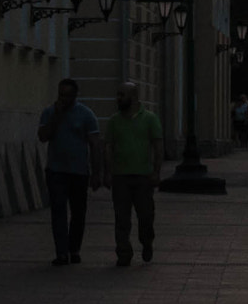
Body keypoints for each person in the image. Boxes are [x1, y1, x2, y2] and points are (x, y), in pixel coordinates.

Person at [38, 77, 101, 266]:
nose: (63, 99)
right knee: (58, 211)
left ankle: (74, 249)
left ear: (75, 96)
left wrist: (97, 172)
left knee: (78, 213)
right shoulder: (49, 112)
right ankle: (61, 252)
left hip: (79, 172)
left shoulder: (86, 114)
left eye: (67, 95)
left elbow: (95, 144)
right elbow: (43, 136)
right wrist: (56, 117)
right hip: (56, 171)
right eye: (61, 95)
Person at [105, 82, 163, 267]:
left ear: (134, 97)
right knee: (121, 217)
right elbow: (108, 147)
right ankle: (123, 252)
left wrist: (156, 172)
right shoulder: (114, 121)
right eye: (117, 94)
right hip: (120, 177)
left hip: (143, 177)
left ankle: (146, 241)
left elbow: (158, 146)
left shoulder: (149, 119)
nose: (118, 98)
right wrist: (107, 171)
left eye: (122, 95)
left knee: (146, 216)